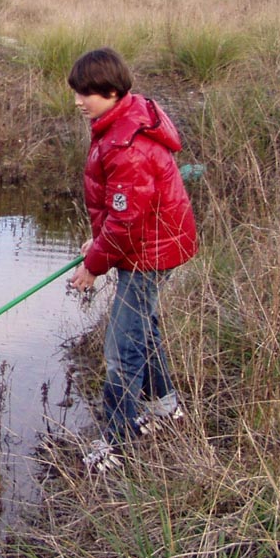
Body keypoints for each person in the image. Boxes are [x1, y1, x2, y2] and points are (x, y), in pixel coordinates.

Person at [64, 47, 197, 473]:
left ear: (111, 90)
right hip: (148, 245)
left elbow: (126, 223)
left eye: (86, 93)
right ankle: (165, 408)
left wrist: (93, 266)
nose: (79, 101)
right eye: (78, 93)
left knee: (121, 348)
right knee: (144, 326)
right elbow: (122, 214)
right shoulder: (119, 123)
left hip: (149, 252)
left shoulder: (127, 143)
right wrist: (98, 241)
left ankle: (118, 444)